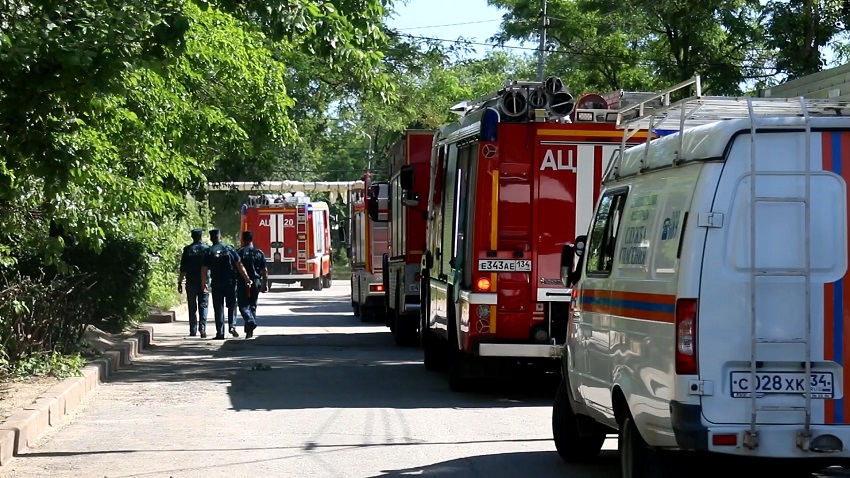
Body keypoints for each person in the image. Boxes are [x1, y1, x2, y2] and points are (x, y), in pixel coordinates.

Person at [201, 229, 252, 340]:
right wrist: (247, 279)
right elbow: (239, 265)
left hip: (216, 283)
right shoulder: (229, 249)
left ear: (211, 238)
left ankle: (220, 333)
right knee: (232, 305)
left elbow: (204, 269)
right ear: (221, 237)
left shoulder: (209, 251)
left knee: (218, 307)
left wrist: (203, 283)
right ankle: (232, 326)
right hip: (230, 282)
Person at [236, 230, 269, 338]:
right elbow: (264, 270)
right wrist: (265, 283)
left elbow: (236, 267)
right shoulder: (259, 252)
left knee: (243, 305)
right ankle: (249, 331)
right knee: (253, 305)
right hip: (256, 281)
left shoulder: (239, 252)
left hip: (242, 281)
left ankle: (249, 321)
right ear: (252, 239)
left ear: (243, 239)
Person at [178, 229, 210, 338]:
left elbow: (183, 268)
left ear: (192, 237)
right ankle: (202, 328)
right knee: (203, 305)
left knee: (192, 306)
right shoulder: (206, 249)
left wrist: (180, 282)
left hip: (191, 281)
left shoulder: (187, 250)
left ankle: (193, 330)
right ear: (201, 236)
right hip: (204, 281)